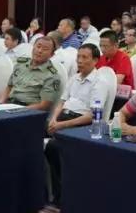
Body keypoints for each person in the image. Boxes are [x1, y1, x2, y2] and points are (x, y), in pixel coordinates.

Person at [44, 44, 109, 203]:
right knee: (29, 131)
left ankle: (61, 195)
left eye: (84, 57)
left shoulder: (99, 82)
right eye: (78, 57)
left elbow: (92, 115)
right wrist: (53, 119)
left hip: (79, 123)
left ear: (95, 60)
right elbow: (62, 102)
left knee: (53, 146)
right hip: (62, 118)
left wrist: (61, 125)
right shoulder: (74, 78)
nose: (79, 61)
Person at [0, 36, 61, 111]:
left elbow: (44, 105)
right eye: (38, 46)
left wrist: (19, 110)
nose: (40, 51)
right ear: (33, 47)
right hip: (11, 105)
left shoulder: (51, 75)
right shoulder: (21, 64)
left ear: (52, 55)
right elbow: (9, 87)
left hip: (30, 110)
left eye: (45, 49)